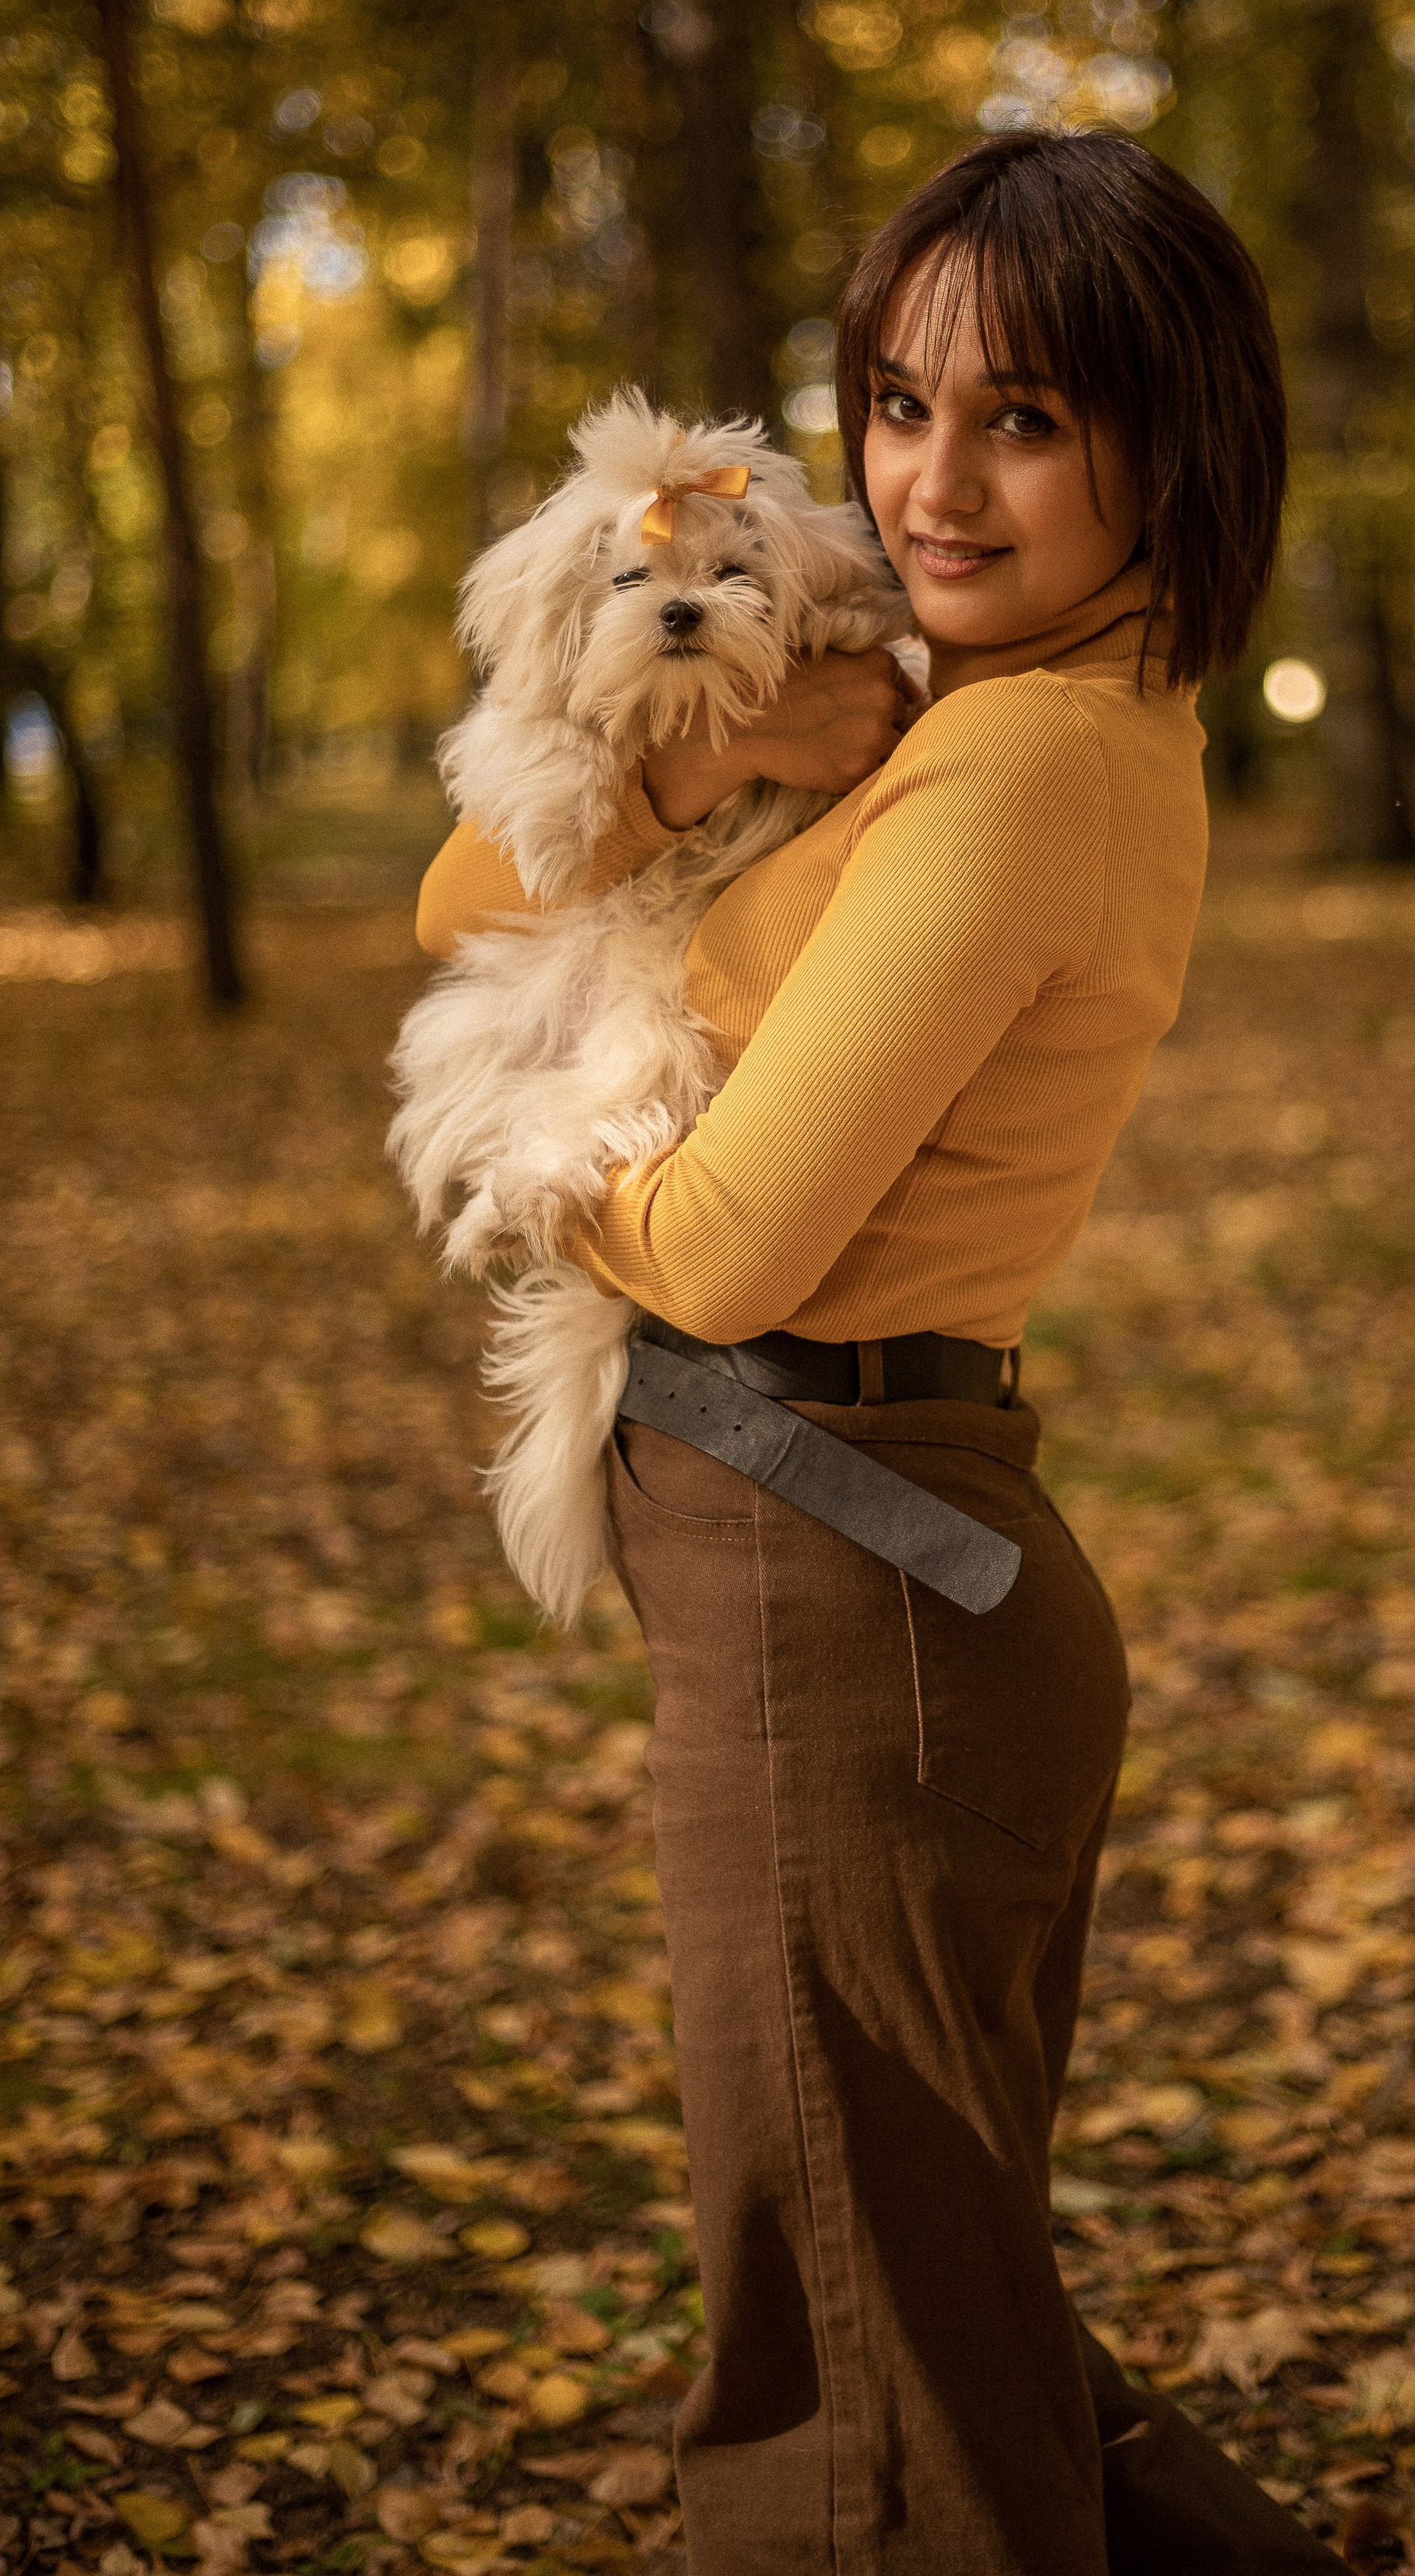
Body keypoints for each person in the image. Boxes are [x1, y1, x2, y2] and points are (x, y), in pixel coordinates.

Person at [415, 129, 1345, 2575]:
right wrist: (709, 755)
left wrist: (524, 1168)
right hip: (855, 1579)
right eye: (897, 402)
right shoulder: (956, 700)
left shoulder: (1022, 758)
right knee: (922, 2300)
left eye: (1024, 417)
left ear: (1172, 438)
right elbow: (453, 880)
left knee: (849, 2381)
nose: (932, 480)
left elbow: (719, 1245)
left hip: (852, 1591)